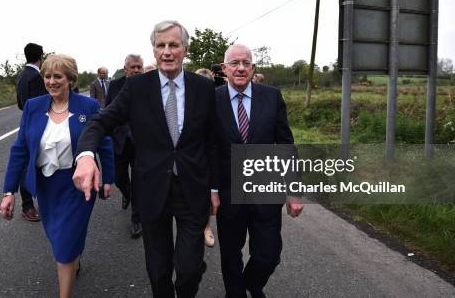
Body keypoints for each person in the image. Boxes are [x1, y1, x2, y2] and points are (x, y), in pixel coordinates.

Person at [73, 20, 219, 298]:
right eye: (160, 45)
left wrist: (214, 187)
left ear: (184, 49)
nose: (166, 51)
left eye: (173, 45)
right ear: (153, 50)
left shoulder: (203, 88)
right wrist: (86, 155)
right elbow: (100, 122)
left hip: (192, 188)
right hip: (151, 190)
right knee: (158, 267)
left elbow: (212, 142)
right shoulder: (137, 87)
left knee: (188, 269)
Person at [0, 54, 114, 298]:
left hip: (78, 185)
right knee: (59, 238)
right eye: (47, 76)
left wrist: (109, 179)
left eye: (57, 76)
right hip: (46, 187)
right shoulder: (33, 107)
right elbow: (20, 150)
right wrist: (9, 192)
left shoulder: (89, 107)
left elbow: (104, 144)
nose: (51, 81)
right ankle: (74, 256)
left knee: (63, 246)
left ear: (70, 79)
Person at [214, 44, 303, 298]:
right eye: (234, 63)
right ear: (224, 69)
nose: (240, 68)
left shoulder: (272, 96)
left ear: (252, 68)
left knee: (269, 254)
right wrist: (210, 188)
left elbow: (286, 144)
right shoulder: (212, 100)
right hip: (229, 191)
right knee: (231, 253)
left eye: (245, 63)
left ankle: (252, 284)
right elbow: (207, 148)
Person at [105, 54, 144, 238]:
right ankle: (126, 193)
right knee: (119, 177)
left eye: (139, 67)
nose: (136, 70)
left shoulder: (150, 85)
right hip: (119, 141)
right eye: (133, 67)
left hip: (142, 143)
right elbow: (108, 111)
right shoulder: (115, 86)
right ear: (125, 68)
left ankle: (137, 220)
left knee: (139, 182)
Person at [15, 42, 47, 221]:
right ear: (41, 57)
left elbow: (20, 104)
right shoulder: (36, 77)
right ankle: (27, 205)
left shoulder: (21, 75)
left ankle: (30, 203)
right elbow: (41, 103)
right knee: (28, 165)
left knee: (28, 163)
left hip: (26, 123)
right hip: (37, 125)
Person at [194, 68, 217, 248]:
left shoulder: (215, 102)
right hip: (191, 157)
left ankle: (206, 225)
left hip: (210, 155)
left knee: (209, 192)